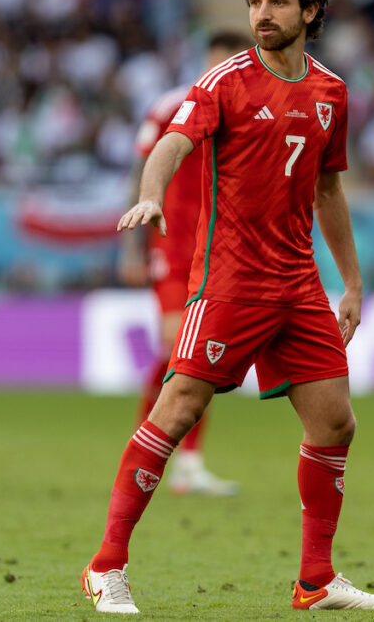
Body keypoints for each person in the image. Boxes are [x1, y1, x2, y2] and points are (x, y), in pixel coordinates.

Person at [82, 0, 374, 614]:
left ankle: (316, 579)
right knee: (178, 407)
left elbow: (329, 188)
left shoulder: (331, 93)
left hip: (301, 285)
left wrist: (354, 283)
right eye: (255, 2)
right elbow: (171, 142)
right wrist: (150, 195)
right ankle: (106, 564)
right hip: (229, 283)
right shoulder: (225, 81)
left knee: (336, 422)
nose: (262, 14)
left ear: (309, 11)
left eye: (278, 2)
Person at [118, 31, 255, 497]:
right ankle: (162, 453)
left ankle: (177, 458)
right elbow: (140, 172)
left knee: (196, 355)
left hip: (220, 250)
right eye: (219, 59)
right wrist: (131, 247)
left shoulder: (252, 111)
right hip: (171, 248)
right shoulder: (170, 107)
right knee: (180, 347)